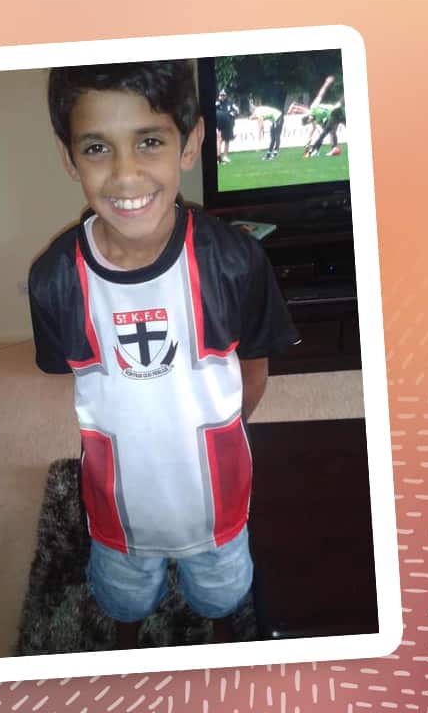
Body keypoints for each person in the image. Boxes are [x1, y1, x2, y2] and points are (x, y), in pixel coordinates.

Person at [30, 61, 299, 649]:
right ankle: (127, 644)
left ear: (191, 142)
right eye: (98, 147)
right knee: (124, 592)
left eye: (149, 141)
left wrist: (223, 431)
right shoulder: (55, 279)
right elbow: (71, 378)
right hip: (117, 502)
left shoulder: (234, 262)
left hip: (217, 495)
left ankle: (225, 633)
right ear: (69, 157)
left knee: (224, 591)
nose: (126, 175)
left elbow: (254, 369)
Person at [214, 89, 239, 164]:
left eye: (224, 95)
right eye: (221, 95)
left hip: (228, 123)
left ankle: (225, 156)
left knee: (227, 140)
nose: (222, 97)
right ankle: (218, 157)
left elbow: (237, 110)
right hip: (219, 124)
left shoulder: (230, 102)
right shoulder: (217, 103)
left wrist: (232, 114)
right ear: (219, 95)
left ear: (226, 95)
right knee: (219, 140)